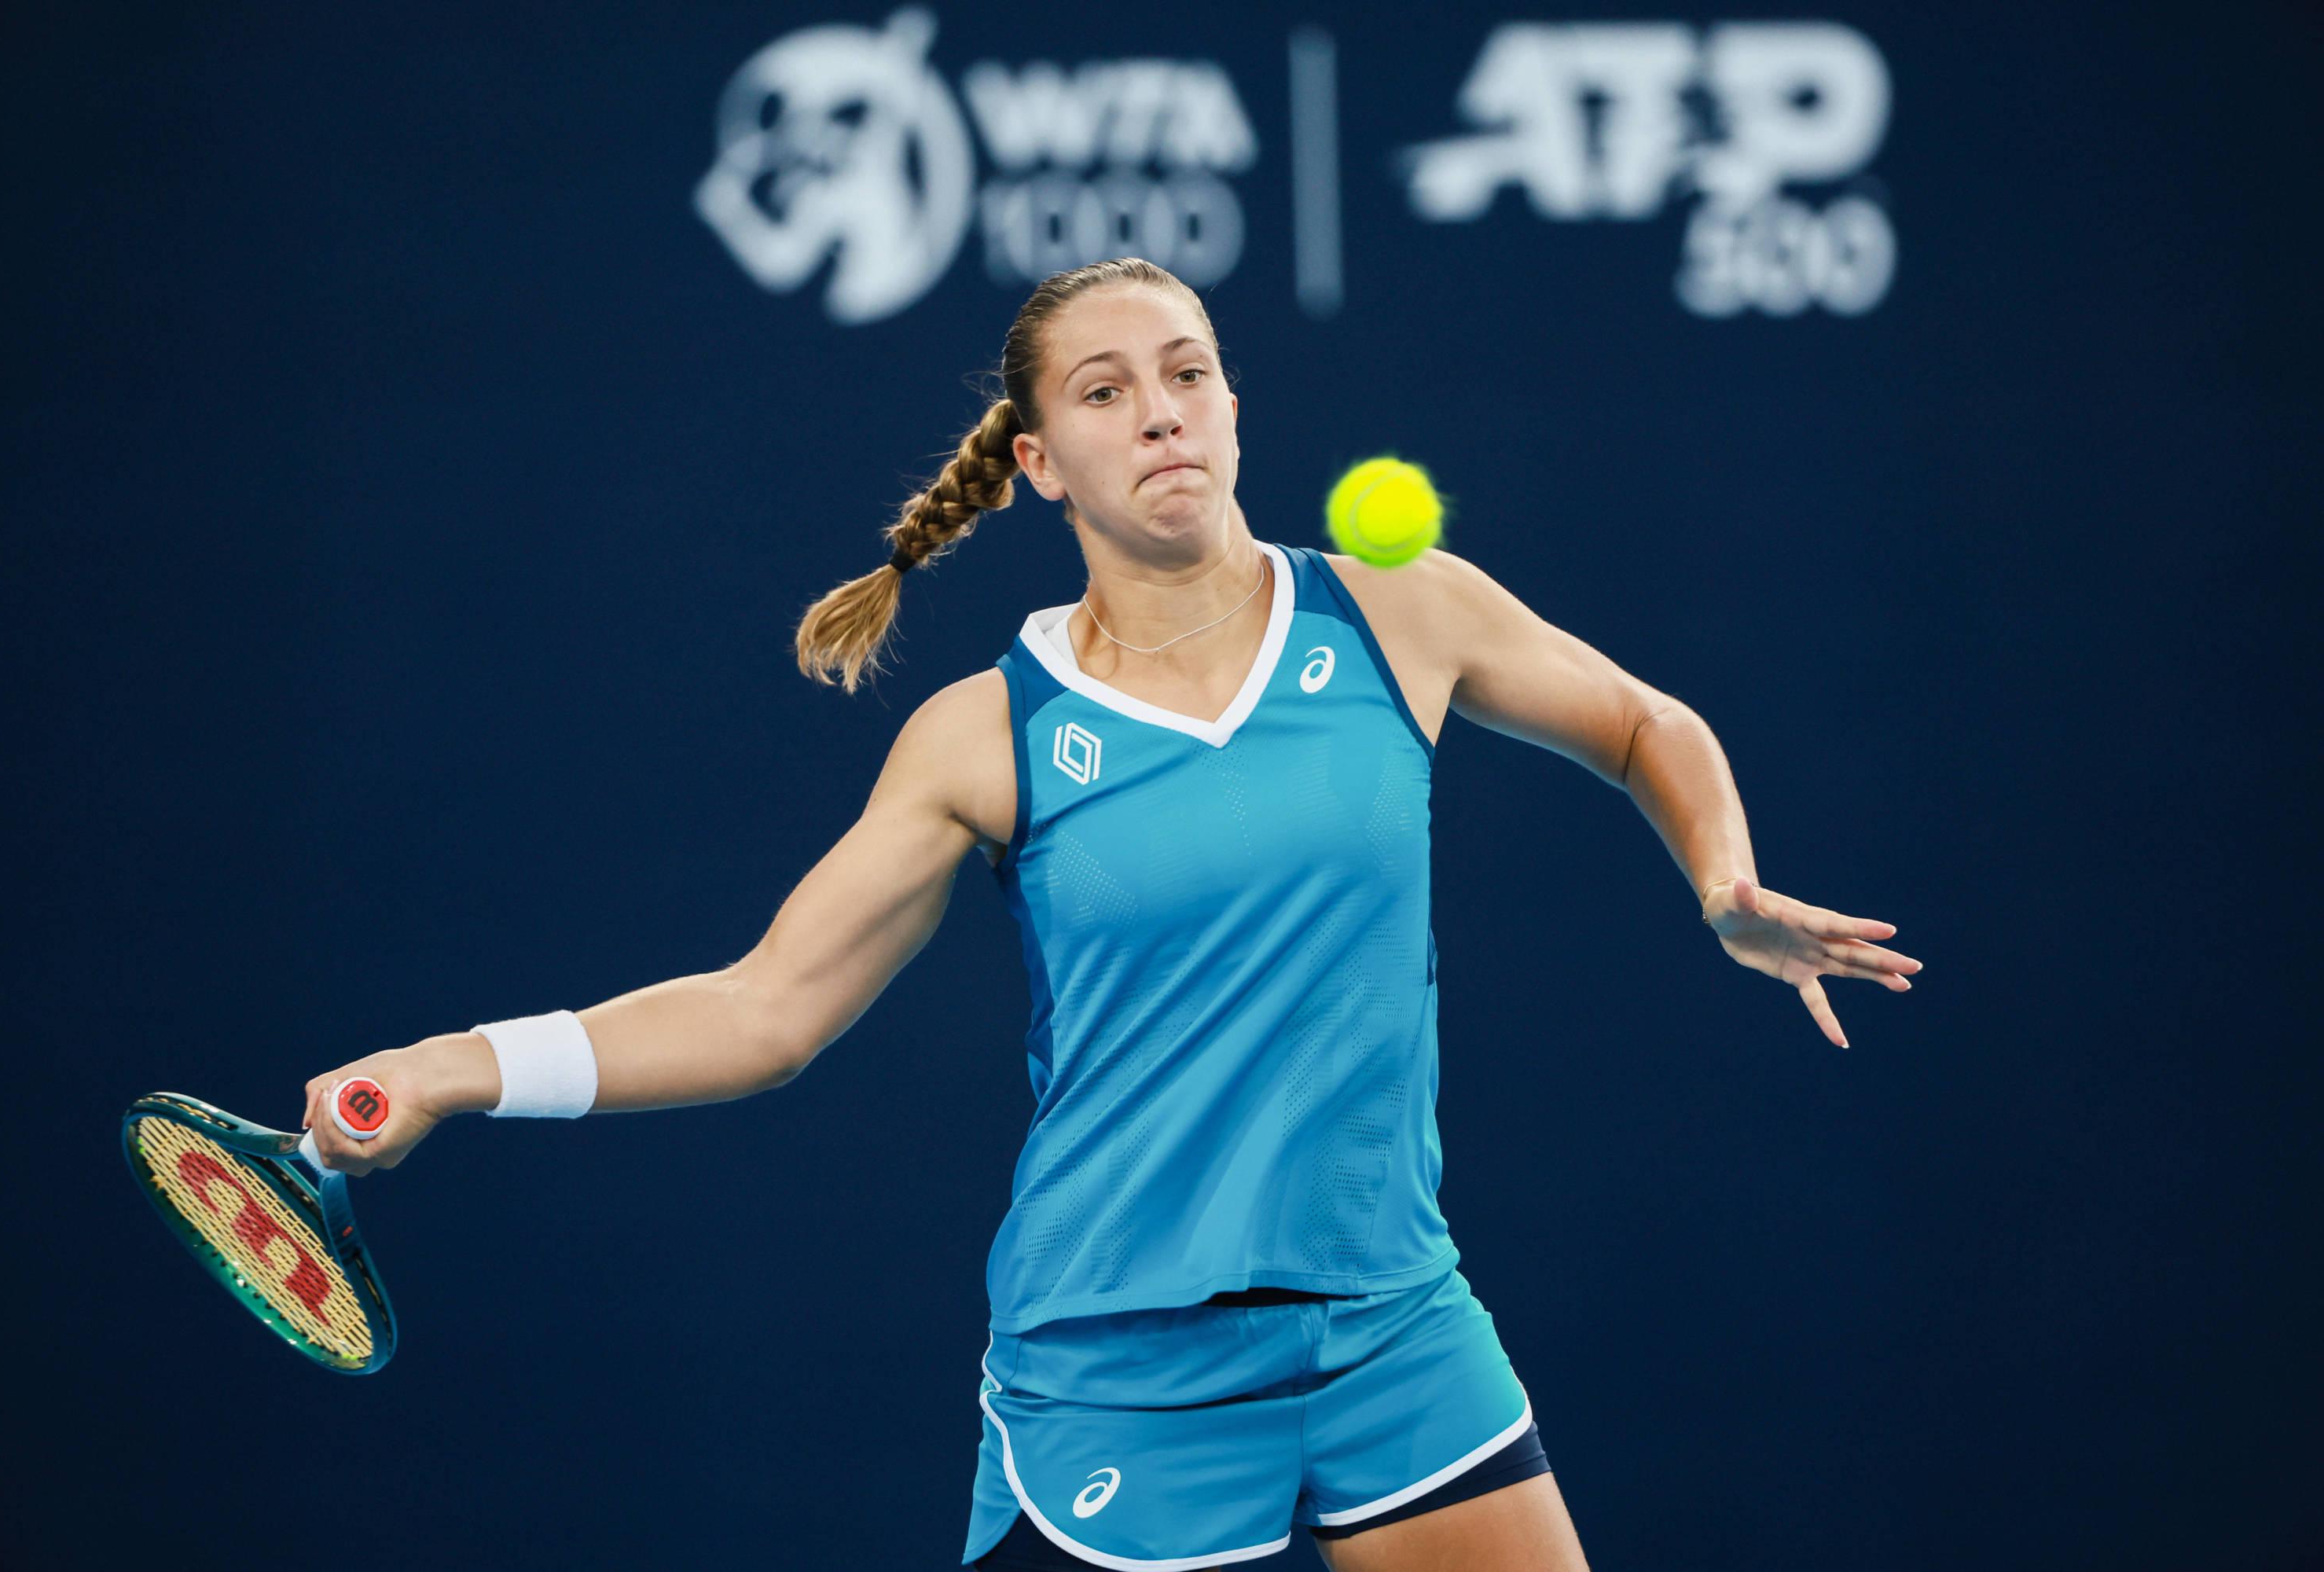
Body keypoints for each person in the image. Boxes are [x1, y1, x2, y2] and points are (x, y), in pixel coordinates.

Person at [299, 256, 1922, 1571]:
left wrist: (1722, 883)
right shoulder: (987, 733)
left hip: (1390, 1314)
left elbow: (1645, 720)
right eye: (1105, 391)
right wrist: (454, 1061)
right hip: (1120, 1359)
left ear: (1233, 401)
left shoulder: (1394, 610)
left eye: (1189, 371)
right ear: (1036, 464)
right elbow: (766, 1008)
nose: (1161, 414)